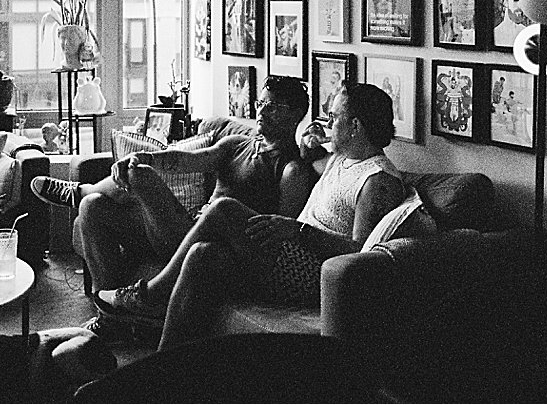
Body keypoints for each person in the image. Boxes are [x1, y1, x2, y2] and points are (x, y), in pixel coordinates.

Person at [94, 83, 434, 350]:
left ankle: (149, 296)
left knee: (224, 209)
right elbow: (309, 157)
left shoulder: (378, 182)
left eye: (335, 116)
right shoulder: (342, 157)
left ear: (356, 126)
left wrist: (296, 230)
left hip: (312, 272)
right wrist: (310, 143)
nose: (329, 121)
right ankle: (164, 373)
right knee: (203, 255)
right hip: (290, 251)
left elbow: (359, 254)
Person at [28, 75, 315, 342]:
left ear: (295, 115)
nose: (262, 112)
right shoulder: (237, 144)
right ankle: (111, 318)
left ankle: (81, 194)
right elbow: (184, 161)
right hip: (180, 229)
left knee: (140, 175)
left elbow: (278, 240)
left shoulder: (292, 170)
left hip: (204, 247)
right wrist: (146, 155)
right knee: (94, 207)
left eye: (274, 107)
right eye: (261, 103)